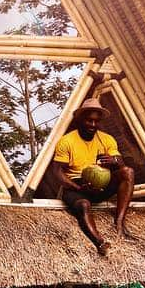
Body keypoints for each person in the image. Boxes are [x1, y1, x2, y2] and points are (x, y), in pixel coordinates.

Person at [46, 97, 135, 256]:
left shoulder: (106, 139)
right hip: (76, 186)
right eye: (89, 121)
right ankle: (99, 242)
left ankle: (120, 223)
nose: (93, 125)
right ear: (80, 119)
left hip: (100, 184)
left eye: (96, 121)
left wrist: (114, 160)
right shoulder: (67, 141)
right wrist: (76, 187)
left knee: (128, 172)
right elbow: (57, 171)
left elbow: (121, 164)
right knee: (84, 205)